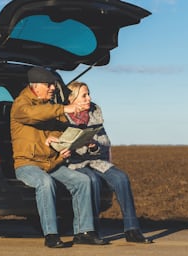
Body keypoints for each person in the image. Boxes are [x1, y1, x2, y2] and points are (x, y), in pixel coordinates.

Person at [10, 67, 108, 248]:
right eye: (49, 85)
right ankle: (51, 234)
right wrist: (65, 108)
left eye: (53, 86)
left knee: (82, 181)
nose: (52, 89)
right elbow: (34, 115)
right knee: (45, 182)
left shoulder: (49, 104)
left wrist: (63, 143)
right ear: (36, 86)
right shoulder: (20, 105)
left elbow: (59, 127)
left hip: (52, 162)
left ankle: (84, 232)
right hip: (28, 164)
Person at [65, 81, 152, 244]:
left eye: (88, 93)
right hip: (76, 163)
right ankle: (93, 230)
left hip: (97, 160)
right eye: (84, 95)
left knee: (122, 178)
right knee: (93, 181)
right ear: (71, 98)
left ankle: (132, 229)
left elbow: (105, 141)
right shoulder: (62, 117)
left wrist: (93, 145)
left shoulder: (95, 115)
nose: (88, 98)